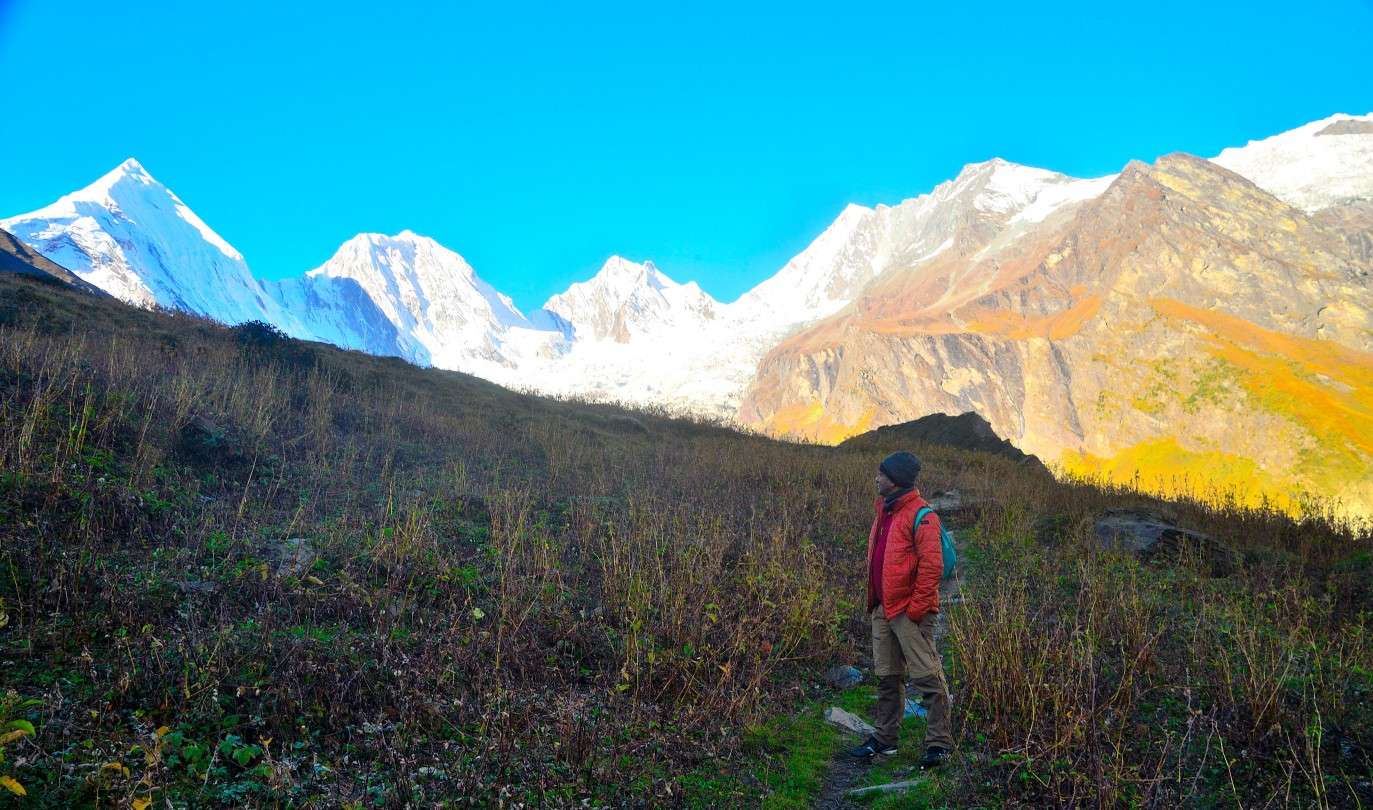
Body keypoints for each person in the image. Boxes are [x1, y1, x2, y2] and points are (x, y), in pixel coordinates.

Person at [846, 451, 953, 768]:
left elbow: (932, 567)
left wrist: (917, 610)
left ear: (895, 480)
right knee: (888, 678)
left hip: (909, 611)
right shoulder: (886, 510)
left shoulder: (922, 515)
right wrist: (879, 603)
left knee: (928, 677)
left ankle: (939, 744)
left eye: (881, 474)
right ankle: (885, 740)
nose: (876, 478)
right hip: (883, 608)